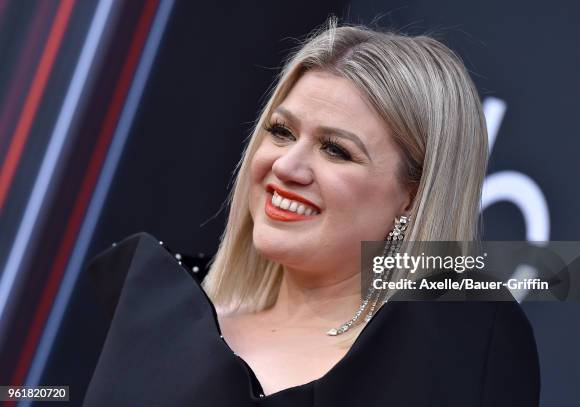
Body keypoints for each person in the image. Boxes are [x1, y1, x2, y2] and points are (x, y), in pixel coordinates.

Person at [83, 17, 540, 406]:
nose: (287, 166)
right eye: (281, 131)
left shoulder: (461, 358)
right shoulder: (157, 314)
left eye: (336, 151)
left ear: (413, 196)